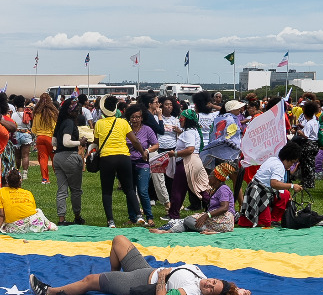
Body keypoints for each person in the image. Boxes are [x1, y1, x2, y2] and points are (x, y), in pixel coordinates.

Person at [28, 234, 250, 295]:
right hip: (146, 269)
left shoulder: (191, 293)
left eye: (210, 289)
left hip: (142, 281)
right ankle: (113, 277)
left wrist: (162, 278)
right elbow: (226, 289)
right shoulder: (202, 275)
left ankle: (49, 291)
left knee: (90, 281)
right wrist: (237, 291)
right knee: (119, 240)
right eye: (213, 281)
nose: (209, 284)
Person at [90, 96, 138, 227]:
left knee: (107, 191)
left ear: (103, 110)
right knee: (129, 188)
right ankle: (139, 214)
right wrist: (143, 152)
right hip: (123, 156)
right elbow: (134, 141)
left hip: (107, 158)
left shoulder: (99, 123)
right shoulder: (123, 122)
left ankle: (110, 220)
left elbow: (96, 141)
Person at [149, 167, 235, 234]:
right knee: (187, 221)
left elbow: (225, 207)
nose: (208, 178)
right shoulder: (216, 189)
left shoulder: (223, 189)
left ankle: (209, 230)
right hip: (216, 218)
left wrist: (206, 215)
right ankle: (167, 231)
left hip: (224, 220)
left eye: (210, 176)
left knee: (188, 220)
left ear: (216, 178)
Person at [50, 97, 86, 224]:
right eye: (76, 111)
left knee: (61, 190)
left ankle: (61, 219)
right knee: (75, 190)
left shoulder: (60, 123)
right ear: (71, 112)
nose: (78, 114)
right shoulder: (70, 123)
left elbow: (54, 142)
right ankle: (77, 216)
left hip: (57, 158)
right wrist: (80, 142)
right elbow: (66, 141)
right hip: (70, 157)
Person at [0, 170, 57, 234]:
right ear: (20, 181)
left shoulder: (2, 191)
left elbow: (1, 215)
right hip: (33, 225)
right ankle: (48, 225)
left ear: (7, 181)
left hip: (14, 228)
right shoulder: (28, 193)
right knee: (39, 211)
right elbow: (33, 210)